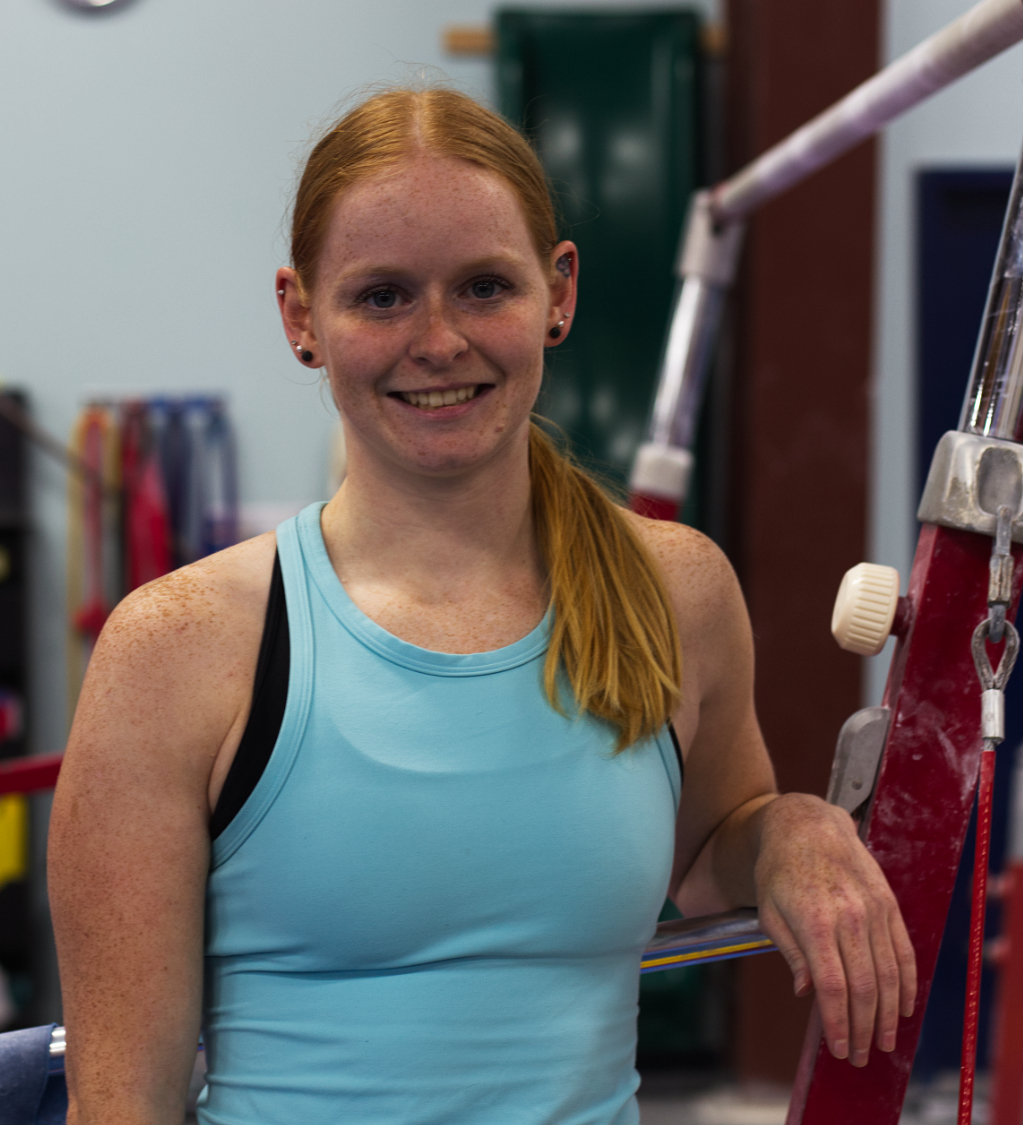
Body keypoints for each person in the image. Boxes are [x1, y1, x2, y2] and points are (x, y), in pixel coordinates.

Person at [48, 86, 915, 1125]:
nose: (438, 340)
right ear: (299, 317)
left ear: (558, 293)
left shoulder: (673, 591)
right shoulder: (182, 649)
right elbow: (123, 1104)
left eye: (482, 287)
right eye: (380, 296)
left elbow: (706, 852)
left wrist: (792, 832)